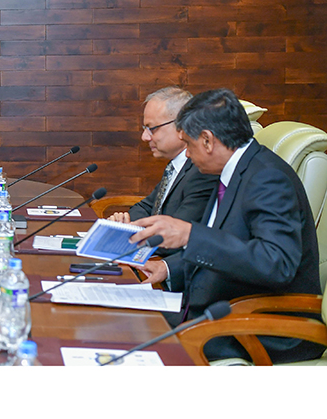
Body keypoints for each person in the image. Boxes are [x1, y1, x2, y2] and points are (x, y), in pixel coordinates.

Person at [129, 88, 324, 363]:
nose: (187, 154)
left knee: (128, 334)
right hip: (217, 307)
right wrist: (168, 268)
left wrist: (189, 235)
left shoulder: (267, 178)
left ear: (207, 140)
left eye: (189, 145)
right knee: (123, 318)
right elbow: (225, 245)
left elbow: (276, 263)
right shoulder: (233, 170)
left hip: (258, 326)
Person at [109, 88, 219, 253]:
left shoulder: (202, 171)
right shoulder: (174, 165)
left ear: (181, 126)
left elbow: (174, 235)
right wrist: (127, 223)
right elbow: (146, 207)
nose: (144, 137)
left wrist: (130, 233)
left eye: (152, 128)